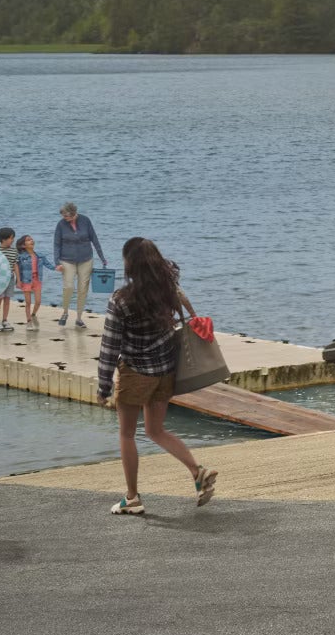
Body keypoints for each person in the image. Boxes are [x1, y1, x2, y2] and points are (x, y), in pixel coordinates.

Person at [97, 238, 216, 515]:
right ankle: (197, 471)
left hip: (135, 373)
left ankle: (132, 497)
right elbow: (177, 286)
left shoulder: (121, 300)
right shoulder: (167, 291)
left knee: (127, 434)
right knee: (156, 430)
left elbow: (109, 345)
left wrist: (103, 386)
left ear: (129, 265)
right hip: (165, 371)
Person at [53, 202, 108, 329]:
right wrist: (57, 263)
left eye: (66, 216)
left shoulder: (85, 220)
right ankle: (65, 312)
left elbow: (94, 239)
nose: (64, 219)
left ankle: (79, 318)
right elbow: (56, 244)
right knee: (68, 287)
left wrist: (102, 258)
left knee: (83, 289)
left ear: (73, 214)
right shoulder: (61, 224)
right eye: (63, 216)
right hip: (67, 260)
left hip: (86, 259)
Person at [13, 234, 56, 325]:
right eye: (28, 240)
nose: (31, 241)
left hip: (37, 280)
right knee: (28, 302)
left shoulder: (40, 255)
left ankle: (33, 314)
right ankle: (28, 321)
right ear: (23, 245)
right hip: (26, 280)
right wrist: (18, 281)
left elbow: (49, 265)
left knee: (38, 301)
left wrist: (57, 268)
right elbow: (16, 268)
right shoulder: (20, 257)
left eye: (31, 239)